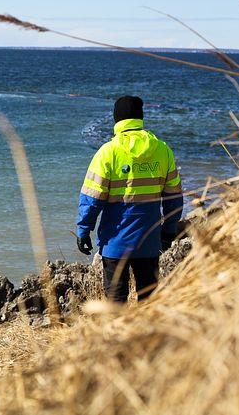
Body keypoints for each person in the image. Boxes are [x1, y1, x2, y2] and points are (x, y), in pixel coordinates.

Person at [76, 95, 183, 302]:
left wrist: (83, 230)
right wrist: (169, 230)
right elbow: (174, 197)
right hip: (149, 241)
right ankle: (147, 335)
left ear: (117, 120)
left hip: (115, 242)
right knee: (148, 300)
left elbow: (92, 198)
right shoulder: (162, 150)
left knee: (116, 300)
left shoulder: (108, 152)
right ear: (140, 119)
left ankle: (117, 335)